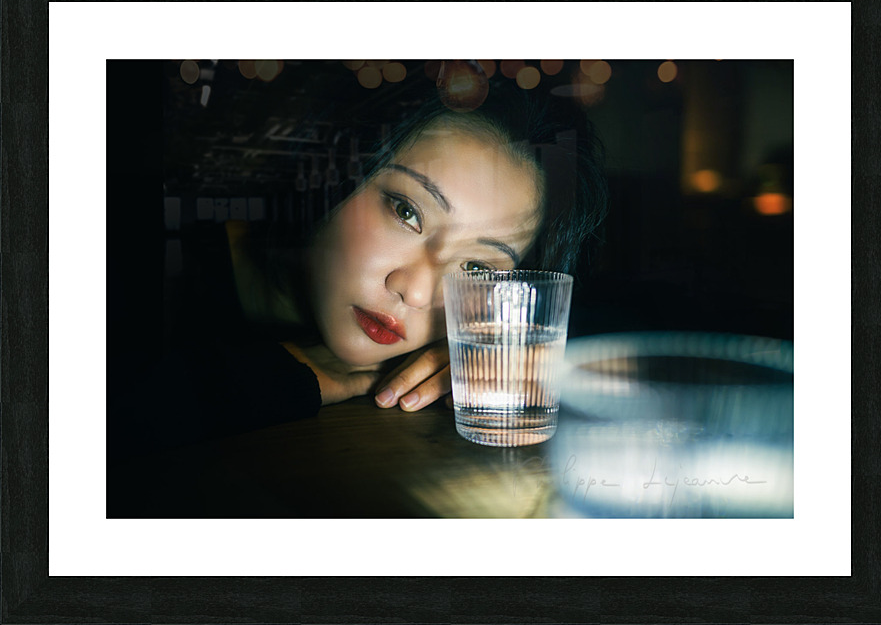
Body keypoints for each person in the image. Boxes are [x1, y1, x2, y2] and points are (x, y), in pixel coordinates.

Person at [108, 64, 608, 460]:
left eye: (476, 269)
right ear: (331, 171)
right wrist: (284, 375)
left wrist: (492, 368)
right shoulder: (127, 253)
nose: (415, 291)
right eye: (407, 211)